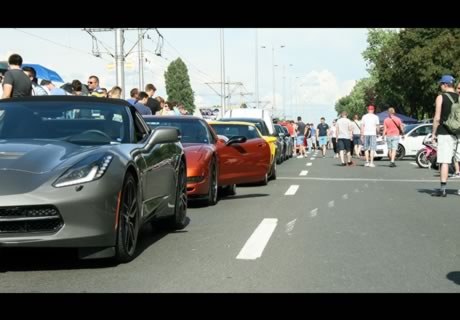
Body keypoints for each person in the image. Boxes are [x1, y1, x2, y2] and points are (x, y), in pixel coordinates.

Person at [431, 75, 460, 197]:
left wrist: (434, 134)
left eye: (441, 84)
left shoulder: (441, 97)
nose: (440, 86)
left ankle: (443, 189)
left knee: (444, 161)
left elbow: (437, 118)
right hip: (458, 132)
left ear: (445, 84)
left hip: (445, 132)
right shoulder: (459, 97)